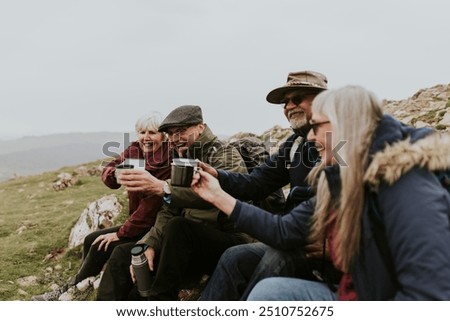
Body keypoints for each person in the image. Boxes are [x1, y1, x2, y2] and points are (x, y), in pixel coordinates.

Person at [192, 85, 450, 300]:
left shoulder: (401, 182)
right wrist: (218, 183)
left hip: (356, 280)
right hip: (346, 273)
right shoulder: (311, 156)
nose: (312, 137)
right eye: (285, 102)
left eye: (316, 126)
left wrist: (335, 239)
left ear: (343, 121)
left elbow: (429, 295)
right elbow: (260, 187)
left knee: (277, 263)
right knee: (247, 268)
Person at [198, 70, 340, 301]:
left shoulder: (340, 145)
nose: (288, 106)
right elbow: (257, 183)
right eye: (285, 102)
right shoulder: (295, 144)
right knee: (235, 258)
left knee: (279, 258)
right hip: (291, 236)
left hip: (323, 249)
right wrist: (216, 175)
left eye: (297, 98)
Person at [96, 105, 252, 300]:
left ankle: (160, 299)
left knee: (178, 227)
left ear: (201, 127)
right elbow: (169, 209)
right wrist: (149, 244)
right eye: (171, 134)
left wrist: (164, 188)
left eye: (181, 131)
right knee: (124, 255)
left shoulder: (224, 155)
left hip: (228, 239)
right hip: (186, 241)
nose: (175, 138)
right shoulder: (183, 158)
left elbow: (220, 196)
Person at [32, 112, 171, 301]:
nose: (146, 137)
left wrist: (121, 233)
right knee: (91, 239)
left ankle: (67, 291)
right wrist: (114, 175)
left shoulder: (167, 162)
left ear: (163, 135)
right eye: (142, 132)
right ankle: (81, 283)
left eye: (152, 132)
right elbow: (110, 167)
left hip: (153, 227)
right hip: (137, 222)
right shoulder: (135, 151)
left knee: (102, 244)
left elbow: (150, 208)